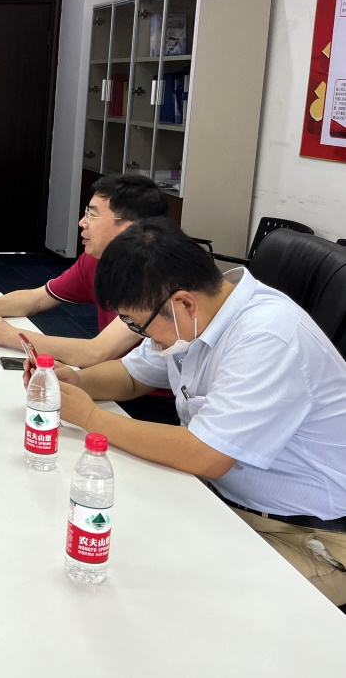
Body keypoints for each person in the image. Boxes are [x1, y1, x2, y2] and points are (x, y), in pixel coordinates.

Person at [50, 218, 346, 606]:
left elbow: (207, 454)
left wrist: (90, 417)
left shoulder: (267, 336)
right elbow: (132, 376)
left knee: (178, 604)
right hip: (223, 503)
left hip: (309, 538)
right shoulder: (195, 317)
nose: (142, 336)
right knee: (119, 555)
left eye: (140, 325)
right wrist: (74, 380)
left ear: (183, 303)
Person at [0, 173, 175, 424]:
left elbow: (96, 352)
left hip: (151, 402)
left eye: (92, 215)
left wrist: (7, 334)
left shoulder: (159, 280)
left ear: (128, 228)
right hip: (111, 382)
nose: (82, 222)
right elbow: (38, 298)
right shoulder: (95, 259)